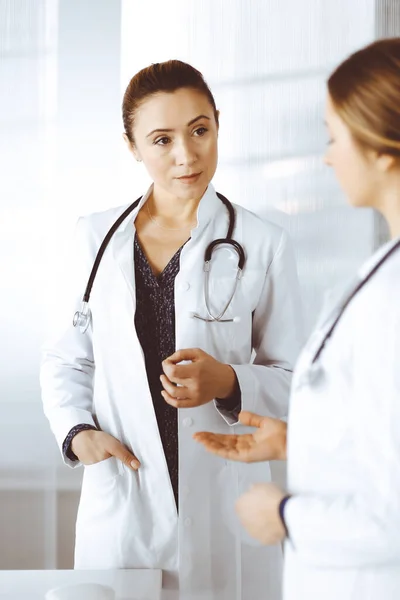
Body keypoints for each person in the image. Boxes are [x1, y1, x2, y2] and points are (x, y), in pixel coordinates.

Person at [40, 60, 303, 600]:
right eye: (161, 139)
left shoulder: (264, 242)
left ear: (217, 124)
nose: (187, 155)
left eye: (200, 130)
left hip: (223, 492)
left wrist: (229, 381)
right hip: (126, 495)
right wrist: (76, 432)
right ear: (133, 146)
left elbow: (296, 377)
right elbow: (68, 358)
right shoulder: (94, 239)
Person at [195, 38, 400, 600]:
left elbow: (394, 513)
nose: (328, 156)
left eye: (335, 137)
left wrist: (285, 514)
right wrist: (302, 443)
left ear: (383, 148)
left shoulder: (393, 295)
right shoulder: (384, 269)